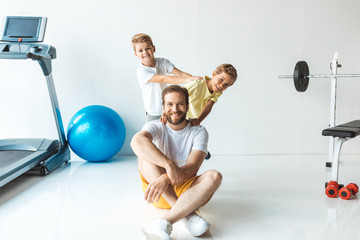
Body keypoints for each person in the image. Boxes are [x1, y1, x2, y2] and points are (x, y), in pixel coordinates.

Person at [131, 85, 223, 240]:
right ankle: (188, 215)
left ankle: (164, 223)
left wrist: (167, 177)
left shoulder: (198, 131)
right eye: (170, 104)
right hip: (159, 191)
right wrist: (169, 165)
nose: (175, 109)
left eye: (180, 104)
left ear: (187, 106)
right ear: (163, 107)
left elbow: (193, 168)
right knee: (144, 154)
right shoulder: (155, 126)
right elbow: (136, 141)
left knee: (215, 176)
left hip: (187, 192)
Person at [132, 33, 202, 122]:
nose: (145, 52)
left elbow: (180, 74)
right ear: (136, 54)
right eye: (140, 50)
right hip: (154, 112)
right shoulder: (141, 71)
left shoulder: (163, 62)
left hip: (169, 109)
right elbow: (163, 79)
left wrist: (194, 80)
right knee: (155, 135)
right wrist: (187, 80)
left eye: (147, 48)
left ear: (153, 49)